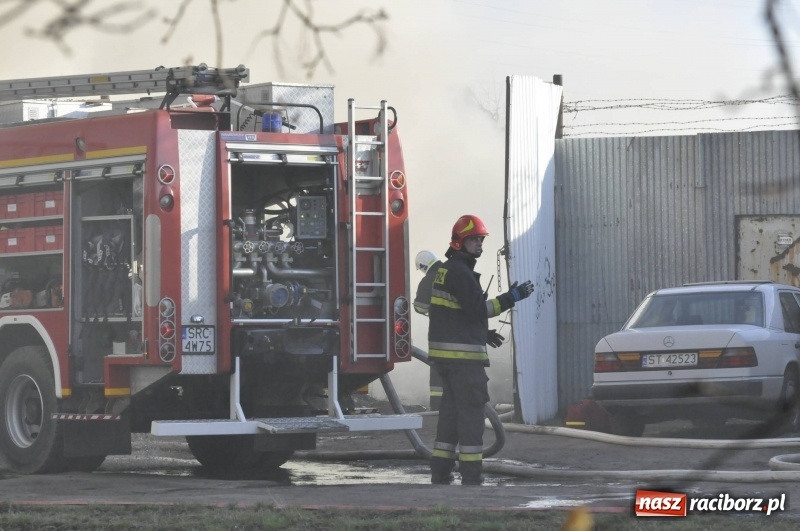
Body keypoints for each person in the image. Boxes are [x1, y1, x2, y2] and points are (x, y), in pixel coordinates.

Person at [428, 214, 534, 486]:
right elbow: (478, 309)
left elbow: (455, 315)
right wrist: (511, 297)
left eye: (481, 240)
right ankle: (472, 476)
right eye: (474, 240)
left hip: (447, 361)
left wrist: (482, 334)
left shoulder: (446, 270)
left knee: (449, 417)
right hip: (465, 362)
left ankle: (440, 472)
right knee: (471, 418)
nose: (479, 244)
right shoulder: (461, 273)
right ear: (459, 242)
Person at [413, 250, 445, 410]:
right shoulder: (453, 272)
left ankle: (437, 407)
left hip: (440, 334)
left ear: (424, 266)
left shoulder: (428, 280)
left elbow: (420, 307)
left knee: (438, 370)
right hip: (462, 333)